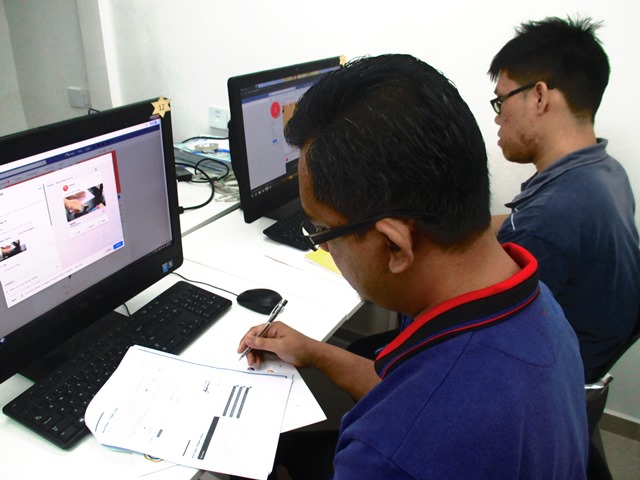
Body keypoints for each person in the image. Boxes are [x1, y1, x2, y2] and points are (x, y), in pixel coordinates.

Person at [238, 54, 588, 479]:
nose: (325, 248)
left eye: (323, 232)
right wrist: (315, 352)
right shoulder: (536, 303)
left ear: (394, 245)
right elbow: (413, 389)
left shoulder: (388, 454)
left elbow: (417, 421)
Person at [488, 16, 640, 403]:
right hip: (577, 372)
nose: (497, 117)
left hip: (534, 393)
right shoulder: (604, 173)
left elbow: (483, 339)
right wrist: (458, 227)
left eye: (501, 101)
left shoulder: (548, 219)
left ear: (539, 96)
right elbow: (524, 224)